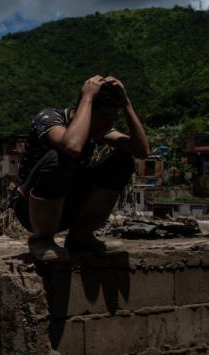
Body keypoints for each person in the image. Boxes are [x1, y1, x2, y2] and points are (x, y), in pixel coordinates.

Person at [12, 75, 149, 261]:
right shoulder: (49, 118)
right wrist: (88, 96)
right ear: (86, 108)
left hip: (68, 206)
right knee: (61, 157)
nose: (109, 124)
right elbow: (72, 145)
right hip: (30, 208)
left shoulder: (99, 129)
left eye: (113, 117)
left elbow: (141, 151)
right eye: (104, 116)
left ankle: (81, 236)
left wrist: (126, 103)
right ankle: (42, 240)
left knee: (123, 161)